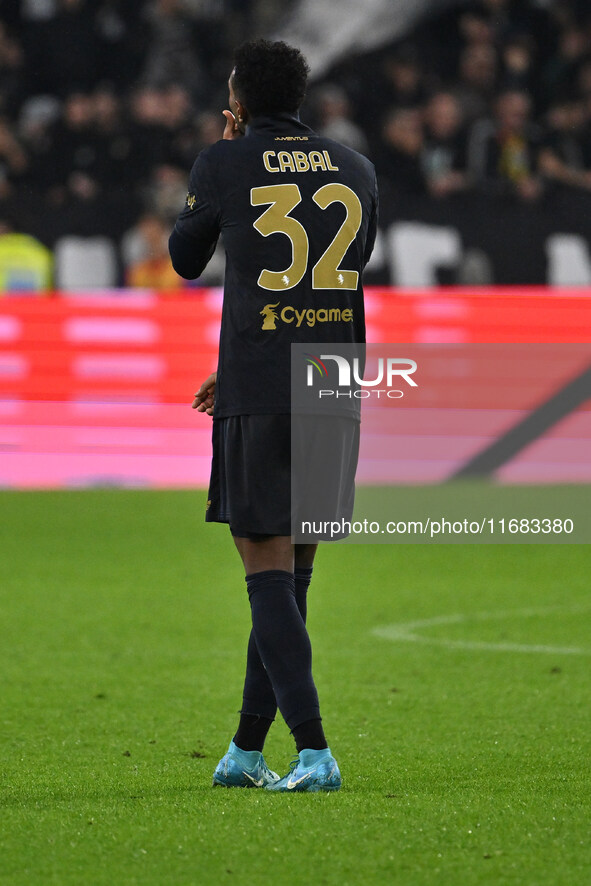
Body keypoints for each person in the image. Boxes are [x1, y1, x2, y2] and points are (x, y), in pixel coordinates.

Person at [169, 39, 378, 793]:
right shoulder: (355, 167)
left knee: (265, 568)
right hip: (332, 379)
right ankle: (246, 752)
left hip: (261, 385)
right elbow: (345, 266)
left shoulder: (223, 161)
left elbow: (185, 258)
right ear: (301, 95)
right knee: (293, 575)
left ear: (240, 103)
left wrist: (227, 152)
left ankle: (315, 751)